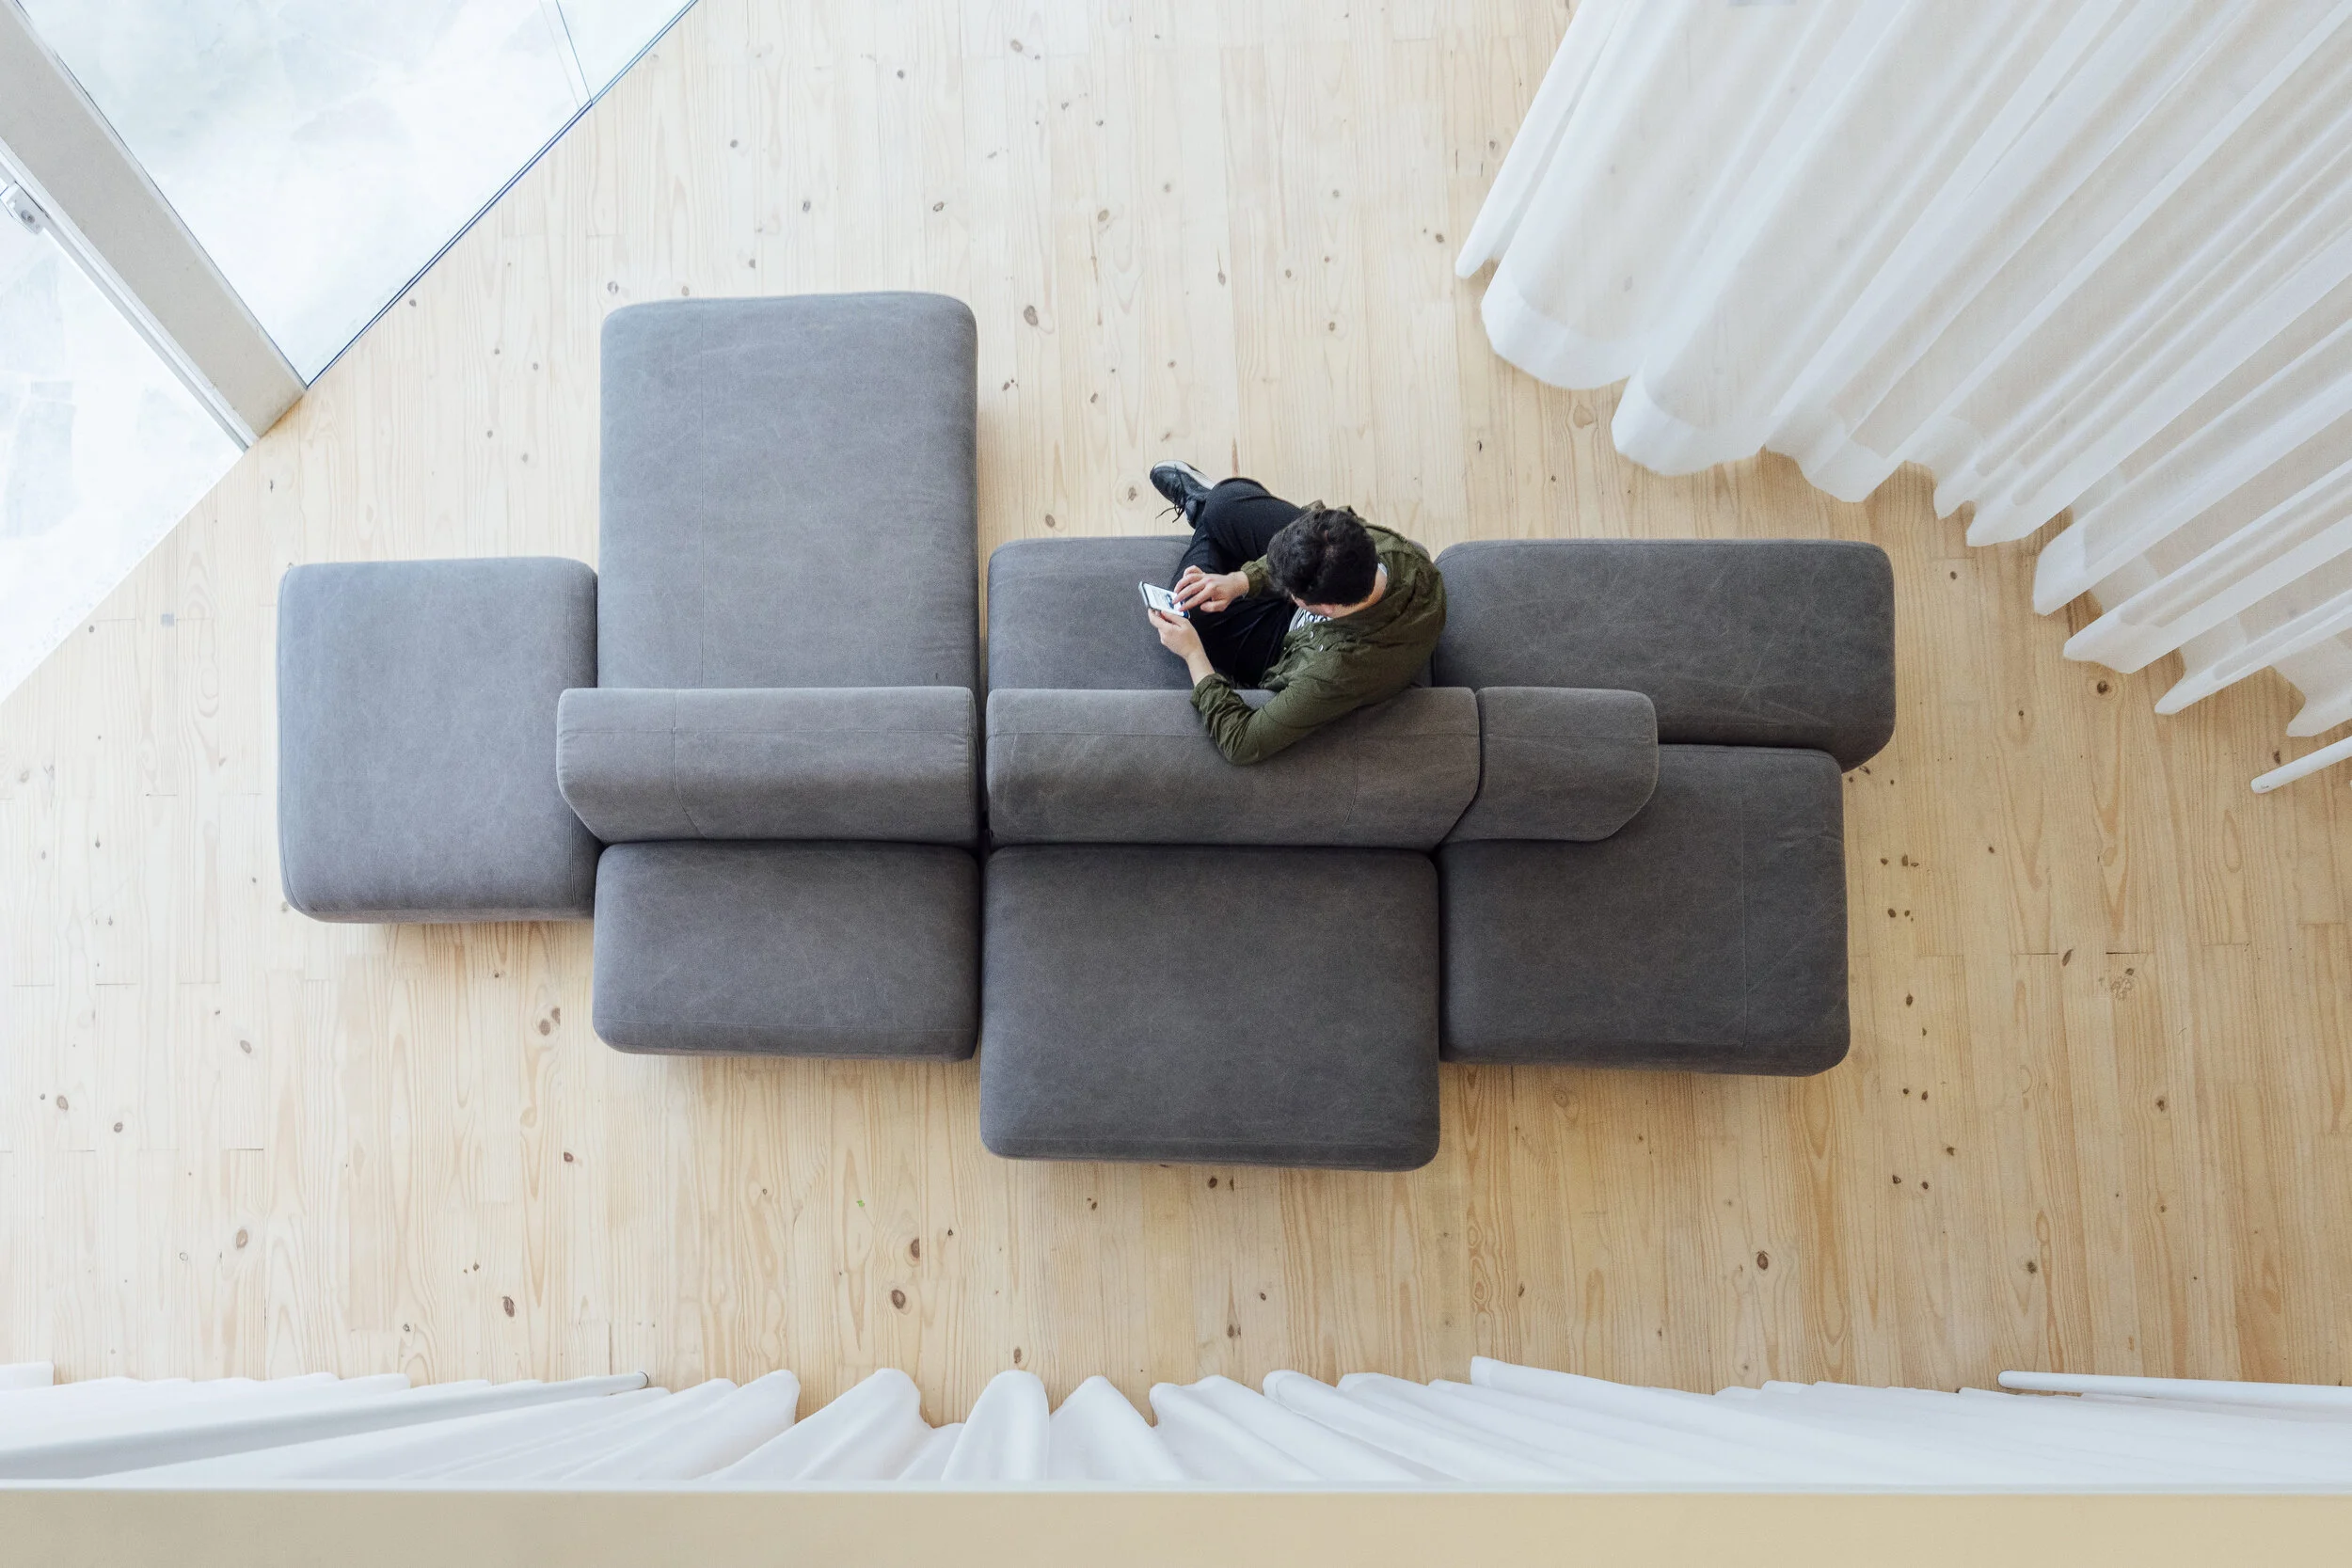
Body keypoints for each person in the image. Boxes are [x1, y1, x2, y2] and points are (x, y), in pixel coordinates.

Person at [1143, 462, 1446, 765]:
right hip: (1323, 589)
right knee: (1225, 501)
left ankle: (1204, 516)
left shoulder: (1334, 671)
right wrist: (1241, 581)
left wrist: (1193, 654)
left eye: (1287, 588)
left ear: (1325, 608)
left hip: (1292, 644)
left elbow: (1242, 742)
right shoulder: (1370, 544)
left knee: (1187, 608)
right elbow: (1307, 545)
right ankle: (1210, 514)